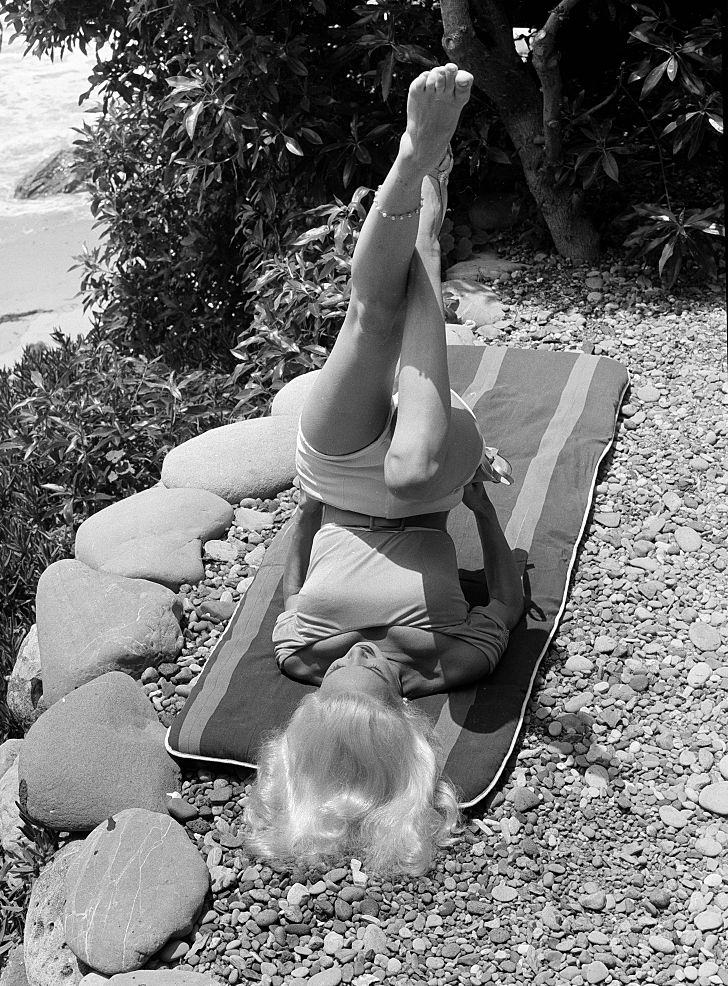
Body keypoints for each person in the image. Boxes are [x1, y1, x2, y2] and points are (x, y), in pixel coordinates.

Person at [243, 64, 526, 877]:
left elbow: (293, 593)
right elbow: (505, 599)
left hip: (337, 483)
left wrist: (306, 512)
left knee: (370, 315)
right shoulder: (455, 663)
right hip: (430, 480)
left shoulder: (304, 658)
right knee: (410, 470)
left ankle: (414, 161)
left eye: (332, 679)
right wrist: (480, 510)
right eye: (365, 676)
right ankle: (425, 243)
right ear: (404, 716)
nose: (350, 660)